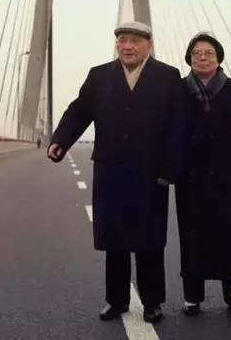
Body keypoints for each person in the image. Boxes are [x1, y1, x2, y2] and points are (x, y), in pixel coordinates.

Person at [47, 21, 184, 323]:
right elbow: (79, 111)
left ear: (148, 45)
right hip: (111, 170)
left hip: (151, 173)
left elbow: (178, 126)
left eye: (135, 41)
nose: (127, 46)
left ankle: (152, 302)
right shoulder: (99, 76)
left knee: (149, 241)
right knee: (115, 240)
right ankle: (116, 301)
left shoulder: (168, 76)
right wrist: (60, 141)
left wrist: (170, 169)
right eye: (122, 40)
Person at [175, 32, 231, 316]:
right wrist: (166, 171)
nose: (202, 58)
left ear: (218, 58)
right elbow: (167, 134)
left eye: (209, 53)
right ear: (189, 58)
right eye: (196, 53)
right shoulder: (177, 91)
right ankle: (192, 297)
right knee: (191, 237)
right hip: (190, 178)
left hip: (229, 177)